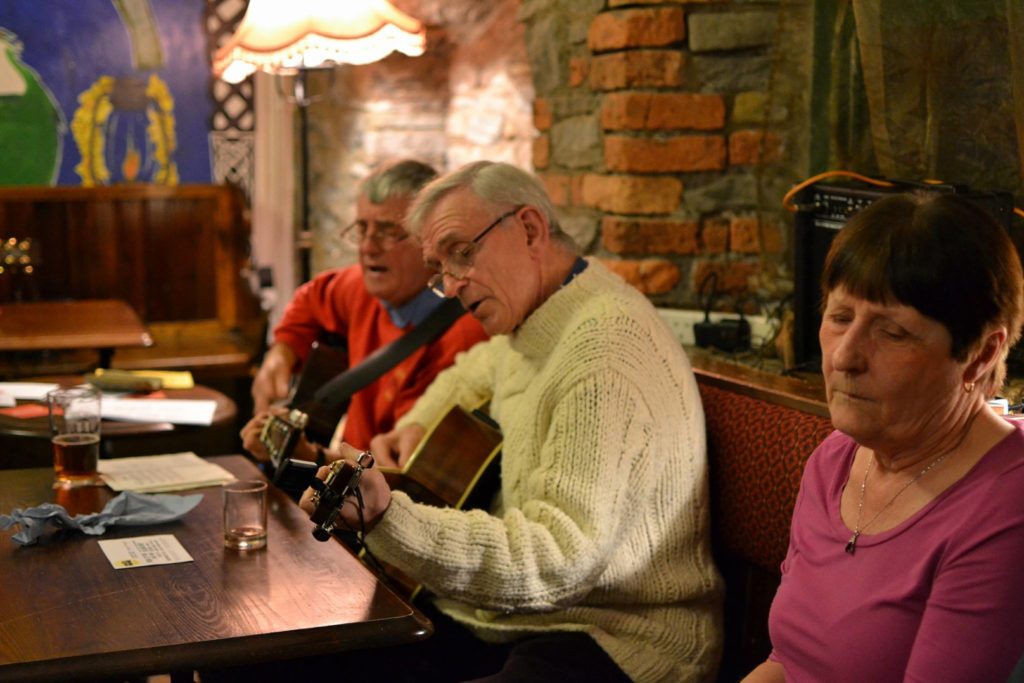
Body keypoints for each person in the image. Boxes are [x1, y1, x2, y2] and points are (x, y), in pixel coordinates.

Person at [298, 161, 723, 682]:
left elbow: (560, 560)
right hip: (517, 620)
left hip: (618, 639)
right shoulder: (542, 314)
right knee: (286, 655)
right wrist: (415, 426)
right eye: (440, 270)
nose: (451, 285)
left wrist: (390, 519)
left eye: (462, 253)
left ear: (529, 229)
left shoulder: (603, 351)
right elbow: (473, 371)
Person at [744, 193, 1024, 682]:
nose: (844, 357)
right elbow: (785, 662)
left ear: (980, 354)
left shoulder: (1007, 505)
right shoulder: (834, 461)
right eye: (840, 317)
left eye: (892, 332)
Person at [241, 159, 488, 467]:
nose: (368, 248)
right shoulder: (362, 288)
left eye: (388, 231)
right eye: (362, 228)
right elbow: (310, 299)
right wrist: (281, 354)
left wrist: (305, 455)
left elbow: (402, 476)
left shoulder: (463, 338)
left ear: (433, 243)